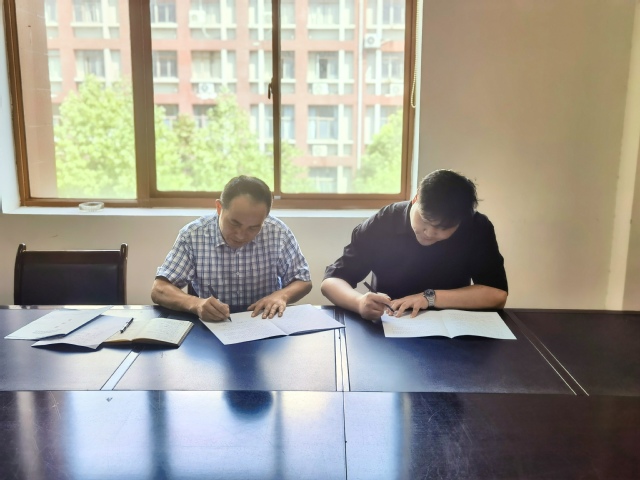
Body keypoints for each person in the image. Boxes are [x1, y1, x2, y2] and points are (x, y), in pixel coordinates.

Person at [321, 169, 508, 321]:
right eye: (425, 221)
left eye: (443, 228)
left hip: (453, 327)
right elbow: (331, 281)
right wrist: (359, 303)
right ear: (416, 199)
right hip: (391, 323)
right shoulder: (384, 222)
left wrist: (429, 298)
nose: (430, 233)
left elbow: (497, 295)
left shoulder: (476, 227)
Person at [151, 175, 312, 321]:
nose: (241, 235)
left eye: (253, 227)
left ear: (265, 218)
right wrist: (196, 304)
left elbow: (303, 280)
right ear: (219, 208)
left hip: (265, 323)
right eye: (234, 223)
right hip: (213, 326)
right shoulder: (193, 235)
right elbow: (159, 289)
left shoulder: (278, 232)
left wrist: (282, 296)